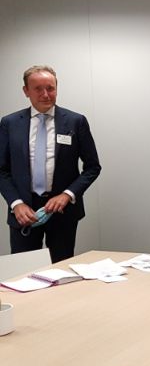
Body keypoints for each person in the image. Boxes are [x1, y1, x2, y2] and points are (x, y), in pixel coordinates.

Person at [0, 65, 101, 263]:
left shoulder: (75, 121)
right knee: (24, 272)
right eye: (38, 88)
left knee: (62, 270)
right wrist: (16, 203)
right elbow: (1, 170)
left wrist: (68, 194)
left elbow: (92, 167)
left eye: (50, 88)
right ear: (26, 91)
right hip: (23, 213)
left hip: (62, 211)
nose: (45, 94)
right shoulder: (10, 123)